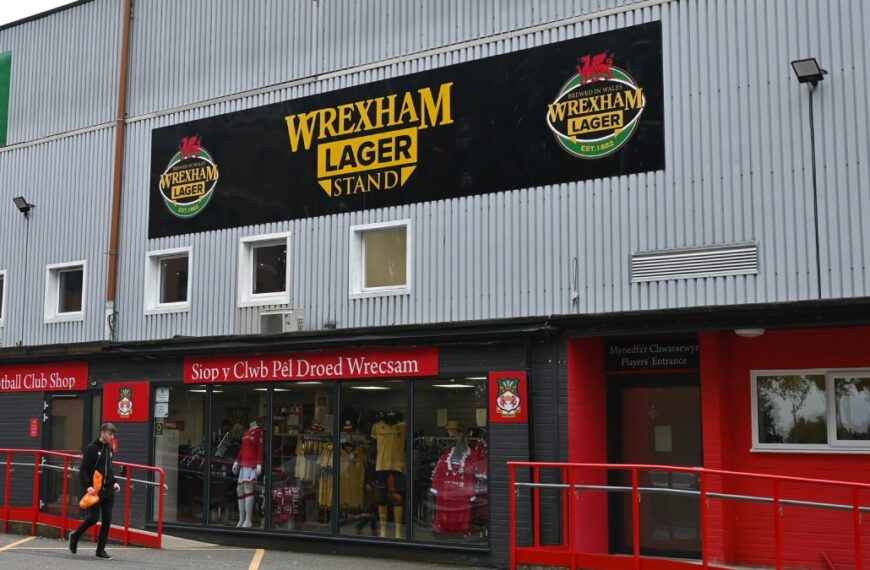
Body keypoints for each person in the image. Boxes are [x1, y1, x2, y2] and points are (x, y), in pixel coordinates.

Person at [69, 423, 121, 560]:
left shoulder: (109, 450)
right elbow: (84, 470)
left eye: (113, 434)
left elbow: (109, 470)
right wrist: (88, 486)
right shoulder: (91, 449)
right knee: (93, 518)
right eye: (110, 434)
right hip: (95, 491)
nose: (112, 437)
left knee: (107, 519)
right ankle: (75, 536)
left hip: (108, 490)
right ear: (102, 433)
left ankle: (100, 550)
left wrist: (114, 482)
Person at [232, 419, 263, 528]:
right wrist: (236, 461)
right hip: (243, 465)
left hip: (251, 466)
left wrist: (259, 463)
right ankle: (242, 519)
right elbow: (243, 449)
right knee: (240, 490)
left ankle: (248, 520)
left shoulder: (258, 431)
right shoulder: (246, 432)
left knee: (249, 490)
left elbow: (260, 448)